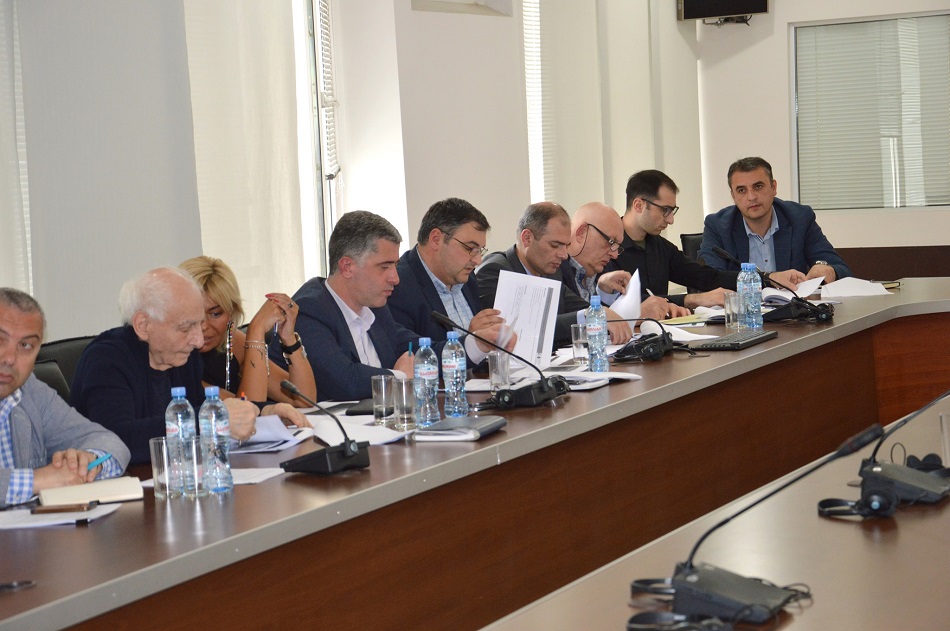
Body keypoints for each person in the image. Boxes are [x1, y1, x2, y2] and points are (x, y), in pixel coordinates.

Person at [71, 267, 307, 465]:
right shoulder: (106, 360)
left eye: (199, 324)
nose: (198, 340)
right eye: (186, 328)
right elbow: (118, 439)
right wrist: (211, 421)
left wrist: (266, 412)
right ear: (143, 325)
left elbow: (199, 407)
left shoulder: (183, 356)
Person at [271, 211, 513, 402]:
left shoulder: (374, 307)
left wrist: (478, 344)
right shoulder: (310, 310)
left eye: (395, 266)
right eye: (384, 267)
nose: (395, 279)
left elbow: (419, 351)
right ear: (347, 267)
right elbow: (345, 381)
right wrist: (400, 377)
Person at [0, 288, 130, 508]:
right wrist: (38, 481)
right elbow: (42, 481)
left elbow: (109, 442)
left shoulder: (30, 391)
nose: (10, 358)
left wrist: (88, 461)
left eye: (25, 345)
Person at [609, 169, 805, 314]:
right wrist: (693, 299)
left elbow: (707, 277)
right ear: (639, 205)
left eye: (672, 211)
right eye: (665, 210)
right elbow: (621, 305)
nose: (671, 220)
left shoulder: (659, 246)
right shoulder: (606, 249)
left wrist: (769, 278)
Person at [476, 202, 632, 345]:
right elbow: (519, 330)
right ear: (527, 238)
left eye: (566, 245)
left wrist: (598, 311)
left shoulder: (551, 273)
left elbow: (584, 309)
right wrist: (589, 315)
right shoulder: (495, 271)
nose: (564, 255)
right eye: (555, 245)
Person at [180, 256, 317, 406]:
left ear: (232, 312)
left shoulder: (232, 340)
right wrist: (256, 330)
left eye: (216, 314)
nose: (204, 326)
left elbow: (305, 401)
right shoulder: (173, 357)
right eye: (195, 313)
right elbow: (247, 411)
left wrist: (289, 338)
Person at [699, 156, 851, 283]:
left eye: (758, 187)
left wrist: (829, 271)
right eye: (741, 190)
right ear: (733, 195)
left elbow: (843, 270)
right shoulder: (718, 226)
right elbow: (708, 279)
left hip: (792, 309)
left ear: (773, 187)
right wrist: (769, 279)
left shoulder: (799, 218)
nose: (751, 197)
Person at [388, 198, 507, 346]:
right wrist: (472, 342)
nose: (477, 260)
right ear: (436, 239)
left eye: (480, 250)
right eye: (470, 248)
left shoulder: (466, 276)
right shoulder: (397, 285)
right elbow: (411, 353)